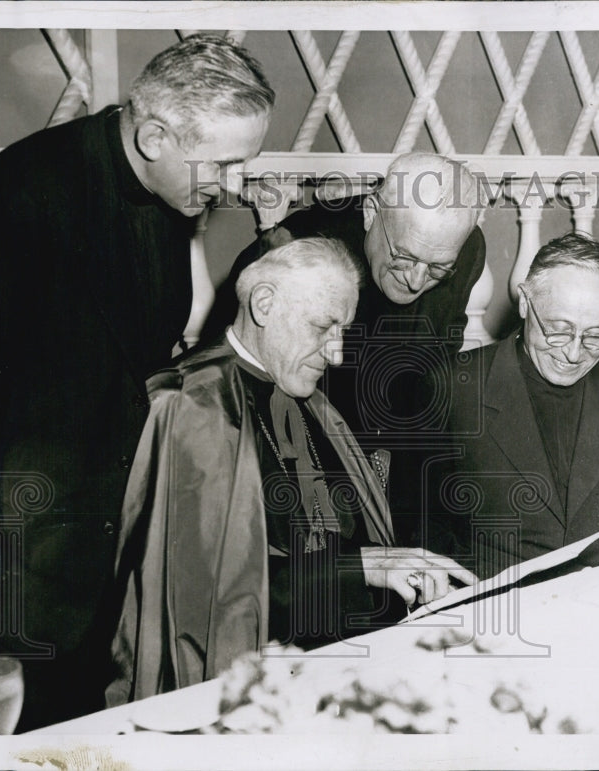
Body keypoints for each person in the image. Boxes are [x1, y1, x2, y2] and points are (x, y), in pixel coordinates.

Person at [0, 33, 274, 730]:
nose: (236, 185)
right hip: (18, 561)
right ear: (154, 135)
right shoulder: (20, 194)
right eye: (226, 163)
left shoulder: (167, 194)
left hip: (102, 545)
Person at [107, 237, 476, 704]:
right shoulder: (191, 405)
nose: (337, 354)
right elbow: (203, 608)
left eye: (343, 330)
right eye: (323, 327)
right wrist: (356, 568)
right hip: (247, 692)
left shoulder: (310, 398)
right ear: (264, 304)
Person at [202, 154, 486, 547]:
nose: (418, 279)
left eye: (438, 268)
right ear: (372, 213)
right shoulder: (297, 252)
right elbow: (234, 382)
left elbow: (435, 363)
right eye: (405, 257)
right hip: (302, 442)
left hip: (398, 435)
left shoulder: (464, 249)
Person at [425, 232, 599, 580]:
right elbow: (424, 536)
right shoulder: (453, 389)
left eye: (596, 335)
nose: (573, 353)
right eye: (558, 330)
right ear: (526, 304)